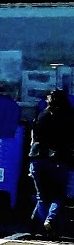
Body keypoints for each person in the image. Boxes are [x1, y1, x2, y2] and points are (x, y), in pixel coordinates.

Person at [31, 90, 74, 236]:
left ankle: (37, 225)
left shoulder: (41, 115)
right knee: (59, 194)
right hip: (58, 159)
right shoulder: (68, 118)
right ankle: (49, 220)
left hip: (37, 158)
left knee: (42, 195)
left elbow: (35, 136)